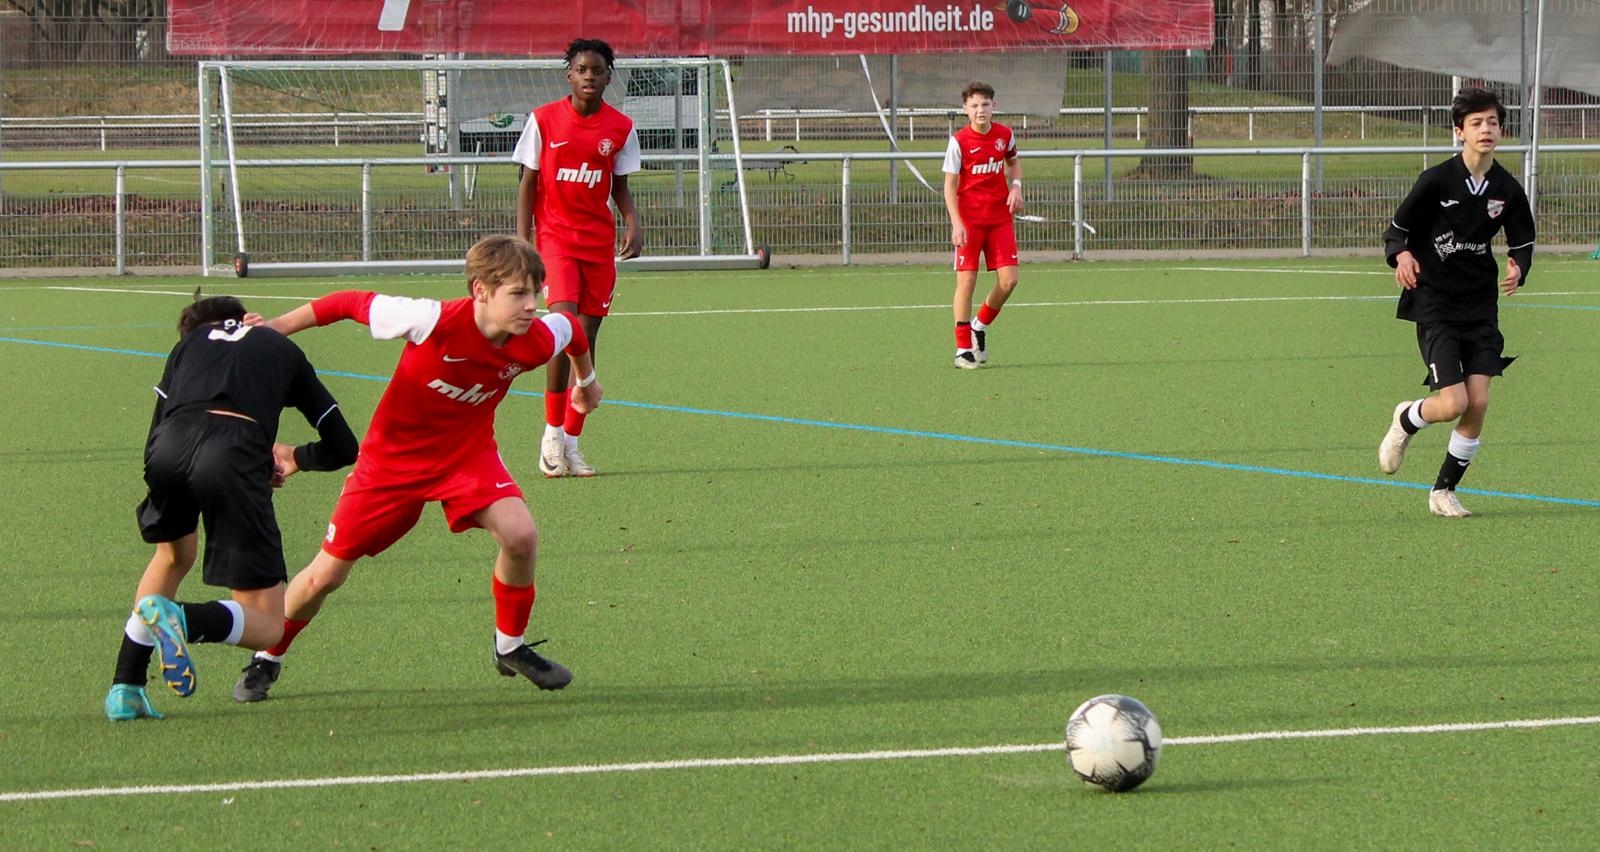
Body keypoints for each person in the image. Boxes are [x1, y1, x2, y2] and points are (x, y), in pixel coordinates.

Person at [232, 234, 602, 702]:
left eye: (535, 292)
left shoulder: (535, 338)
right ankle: (268, 655)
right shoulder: (430, 320)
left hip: (466, 454)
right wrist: (276, 328)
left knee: (520, 535)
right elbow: (348, 303)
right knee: (325, 576)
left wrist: (587, 381)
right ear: (480, 290)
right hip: (392, 463)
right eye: (518, 294)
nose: (532, 305)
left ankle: (510, 646)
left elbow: (572, 329)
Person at [105, 294, 358, 721]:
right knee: (268, 623)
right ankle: (180, 619)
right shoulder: (279, 346)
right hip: (233, 454)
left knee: (172, 556)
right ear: (247, 320)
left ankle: (125, 688)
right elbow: (343, 446)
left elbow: (157, 431)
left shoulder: (188, 346)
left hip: (168, 448)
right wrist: (293, 458)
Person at [1377, 86, 1535, 517]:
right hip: (1435, 304)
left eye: (1492, 122)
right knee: (1453, 404)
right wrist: (1402, 255)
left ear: (1501, 130)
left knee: (1478, 402)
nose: (1486, 129)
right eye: (1476, 123)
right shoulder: (1436, 180)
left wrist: (1519, 266)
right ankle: (1407, 419)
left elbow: (1523, 239)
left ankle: (1443, 491)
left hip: (1480, 305)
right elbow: (1397, 231)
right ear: (1459, 132)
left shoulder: (1506, 188)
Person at [512, 37, 643, 477]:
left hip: (597, 245)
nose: (589, 76)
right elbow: (528, 182)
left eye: (598, 70)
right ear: (569, 74)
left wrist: (632, 222)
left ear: (608, 77)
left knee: (586, 338)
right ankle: (551, 434)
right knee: (562, 328)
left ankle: (571, 442)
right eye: (582, 69)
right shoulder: (543, 120)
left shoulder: (620, 128)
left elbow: (620, 186)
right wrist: (523, 243)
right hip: (555, 241)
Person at [942, 80, 1023, 370]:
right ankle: (962, 348)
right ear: (965, 109)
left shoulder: (1005, 135)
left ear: (994, 106)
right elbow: (949, 186)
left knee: (1009, 280)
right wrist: (957, 223)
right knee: (967, 281)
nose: (980, 110)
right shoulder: (958, 142)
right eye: (974, 105)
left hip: (999, 219)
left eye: (985, 104)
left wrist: (1016, 187)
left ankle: (980, 325)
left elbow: (1014, 164)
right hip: (970, 222)